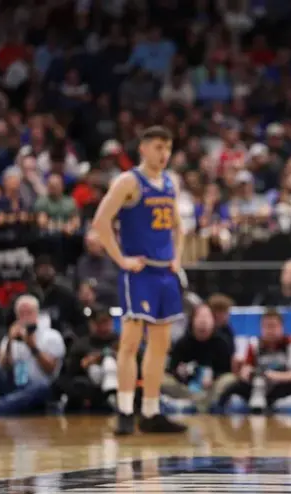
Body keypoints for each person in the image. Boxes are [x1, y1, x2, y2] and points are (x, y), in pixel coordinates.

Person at [92, 125, 187, 435]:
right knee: (130, 343)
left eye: (168, 148)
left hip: (165, 273)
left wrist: (178, 258)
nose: (164, 154)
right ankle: (124, 409)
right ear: (143, 148)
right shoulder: (128, 181)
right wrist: (121, 260)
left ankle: (150, 411)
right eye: (159, 147)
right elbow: (100, 222)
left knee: (160, 347)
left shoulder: (169, 184)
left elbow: (179, 227)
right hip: (139, 272)